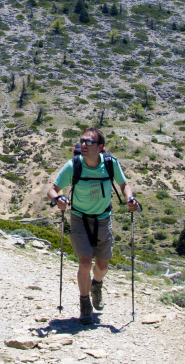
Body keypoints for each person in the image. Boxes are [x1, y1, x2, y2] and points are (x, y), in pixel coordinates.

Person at [47, 126, 139, 324]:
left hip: (103, 218)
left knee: (102, 265)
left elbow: (124, 185)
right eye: (82, 141)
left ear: (100, 147)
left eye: (89, 142)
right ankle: (85, 303)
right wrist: (58, 200)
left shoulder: (110, 164)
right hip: (79, 218)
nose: (84, 145)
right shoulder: (73, 165)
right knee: (85, 262)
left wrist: (130, 199)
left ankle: (97, 284)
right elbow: (52, 190)